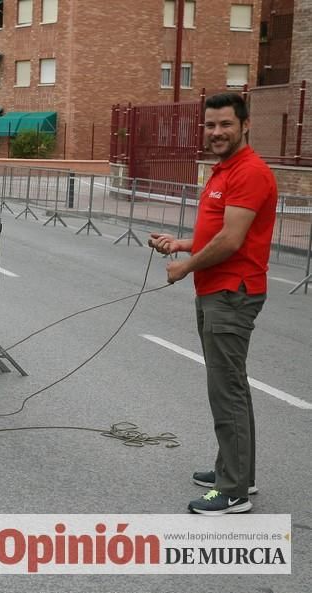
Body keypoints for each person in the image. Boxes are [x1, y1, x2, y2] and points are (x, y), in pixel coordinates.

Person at [148, 93, 277, 516]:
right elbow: (217, 233)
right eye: (210, 125)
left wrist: (185, 266)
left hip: (231, 292)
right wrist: (183, 243)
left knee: (226, 392)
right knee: (232, 386)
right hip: (216, 288)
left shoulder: (250, 172)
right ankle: (239, 472)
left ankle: (233, 490)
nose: (216, 132)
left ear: (245, 125)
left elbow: (232, 240)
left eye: (225, 124)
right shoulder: (224, 169)